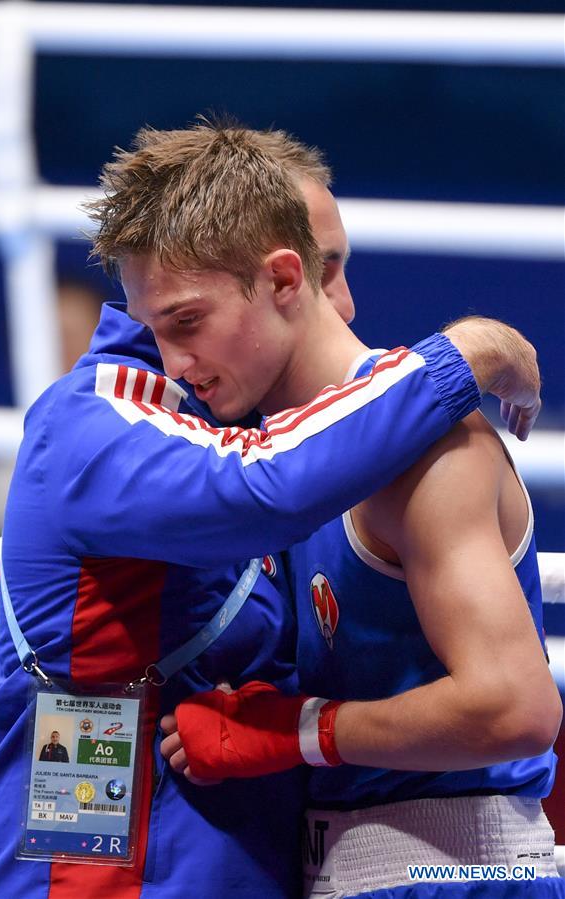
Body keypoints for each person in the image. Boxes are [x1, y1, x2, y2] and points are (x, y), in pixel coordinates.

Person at [0, 120, 544, 899]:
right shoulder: (96, 426)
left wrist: (291, 730)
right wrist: (468, 350)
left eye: (337, 267)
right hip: (84, 861)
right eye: (161, 324)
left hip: (308, 865)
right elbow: (262, 488)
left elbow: (514, 711)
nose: (344, 302)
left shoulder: (378, 446)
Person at [150, 129, 564, 895]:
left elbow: (516, 707)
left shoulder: (428, 452)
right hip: (332, 865)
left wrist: (293, 729)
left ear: (288, 279)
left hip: (454, 871)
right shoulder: (256, 457)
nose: (173, 363)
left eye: (185, 323)